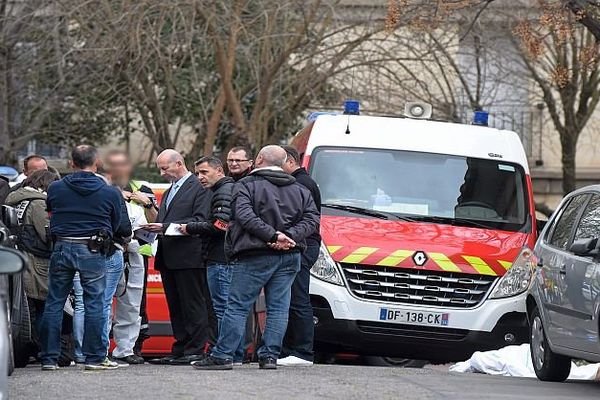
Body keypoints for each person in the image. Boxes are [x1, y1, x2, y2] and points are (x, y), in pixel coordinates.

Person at [192, 145, 320, 371]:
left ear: (259, 159)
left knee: (237, 306)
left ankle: (223, 355)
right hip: (289, 254)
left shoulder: (245, 185)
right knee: (279, 307)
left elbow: (244, 216)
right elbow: (312, 219)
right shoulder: (300, 189)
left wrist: (272, 235)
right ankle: (269, 356)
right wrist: (288, 236)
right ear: (283, 162)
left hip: (255, 253)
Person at [40, 145, 131, 371]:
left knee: (54, 303)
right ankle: (94, 358)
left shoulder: (55, 188)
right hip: (92, 249)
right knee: (95, 304)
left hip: (61, 246)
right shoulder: (110, 192)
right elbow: (118, 224)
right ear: (97, 162)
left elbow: (50, 210)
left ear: (71, 163)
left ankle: (49, 358)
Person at [146, 149, 216, 365]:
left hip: (190, 256)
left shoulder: (199, 187)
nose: (161, 172)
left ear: (178, 163)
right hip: (169, 256)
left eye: (164, 167)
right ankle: (181, 346)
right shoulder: (169, 192)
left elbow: (200, 219)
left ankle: (195, 348)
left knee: (193, 304)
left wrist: (165, 226)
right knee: (175, 305)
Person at [178, 156, 244, 363]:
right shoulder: (220, 190)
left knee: (222, 309)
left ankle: (224, 353)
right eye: (197, 173)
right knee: (227, 308)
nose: (200, 177)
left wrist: (190, 227)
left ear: (219, 171)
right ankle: (233, 353)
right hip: (222, 256)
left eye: (205, 172)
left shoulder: (224, 190)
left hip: (220, 258)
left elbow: (221, 225)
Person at [104, 150, 155, 361]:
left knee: (132, 305)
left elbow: (156, 219)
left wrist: (147, 202)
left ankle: (126, 350)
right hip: (108, 250)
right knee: (103, 302)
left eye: (122, 165)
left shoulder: (141, 189)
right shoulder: (100, 189)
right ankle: (99, 350)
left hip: (136, 252)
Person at [5, 170, 59, 355]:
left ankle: (27, 349)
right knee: (41, 305)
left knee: (26, 307)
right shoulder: (38, 203)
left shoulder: (15, 198)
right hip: (37, 261)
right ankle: (41, 349)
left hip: (19, 257)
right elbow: (47, 234)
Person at [278, 145, 322, 366]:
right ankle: (289, 349)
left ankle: (302, 351)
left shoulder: (301, 184)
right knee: (291, 297)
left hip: (303, 245)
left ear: (290, 161)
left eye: (279, 163)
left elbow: (304, 219)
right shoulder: (303, 182)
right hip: (303, 244)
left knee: (298, 298)